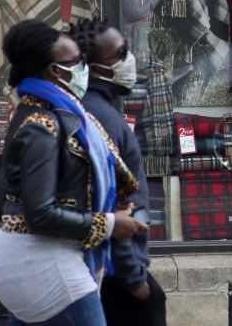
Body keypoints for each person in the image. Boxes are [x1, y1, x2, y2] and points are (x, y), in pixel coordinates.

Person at [0, 19, 146, 326]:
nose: (85, 69)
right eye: (78, 62)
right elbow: (40, 214)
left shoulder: (56, 115)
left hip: (40, 258)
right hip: (40, 261)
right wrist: (110, 224)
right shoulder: (42, 126)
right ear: (55, 71)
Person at [72, 17, 169, 326]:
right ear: (98, 68)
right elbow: (116, 204)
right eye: (122, 52)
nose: (131, 60)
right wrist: (134, 276)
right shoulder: (105, 120)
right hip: (115, 274)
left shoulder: (84, 110)